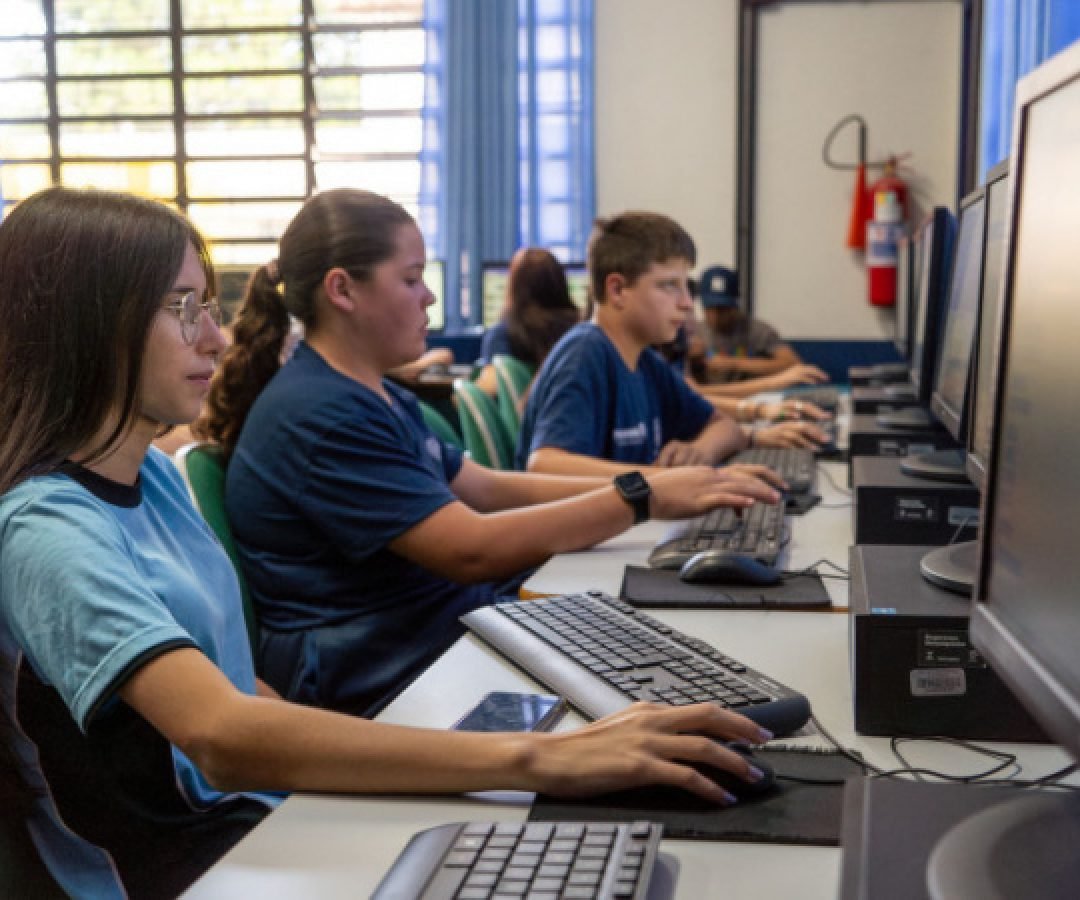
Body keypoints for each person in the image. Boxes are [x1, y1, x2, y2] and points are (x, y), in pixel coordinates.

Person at [0, 187, 780, 897]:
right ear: (88, 325)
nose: (213, 334)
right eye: (182, 309)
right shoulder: (47, 529)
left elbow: (244, 691)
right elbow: (223, 734)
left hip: (259, 816)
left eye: (208, 305)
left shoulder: (157, 481)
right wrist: (534, 757)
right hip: (189, 870)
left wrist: (423, 759)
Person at [196, 188, 780, 718]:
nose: (429, 296)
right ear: (342, 289)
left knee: (656, 649)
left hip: (429, 636)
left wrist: (649, 488)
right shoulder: (320, 413)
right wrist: (639, 496)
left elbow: (488, 487)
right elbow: (469, 550)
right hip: (382, 672)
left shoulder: (371, 392)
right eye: (411, 279)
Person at [517, 212, 829, 475]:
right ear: (617, 290)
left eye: (687, 286)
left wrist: (699, 452)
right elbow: (546, 465)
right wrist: (662, 482)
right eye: (669, 286)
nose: (687, 303)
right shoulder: (586, 353)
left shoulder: (646, 363)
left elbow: (723, 426)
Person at [473, 247, 581, 400]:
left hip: (522, 421)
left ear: (513, 287)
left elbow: (487, 390)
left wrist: (461, 396)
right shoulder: (582, 332)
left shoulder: (503, 334)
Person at [692, 265, 827, 385]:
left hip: (752, 399)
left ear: (735, 305)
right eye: (710, 308)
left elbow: (793, 365)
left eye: (723, 309)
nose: (716, 316)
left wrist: (734, 363)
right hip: (708, 401)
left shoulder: (757, 330)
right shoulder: (692, 332)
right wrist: (689, 358)